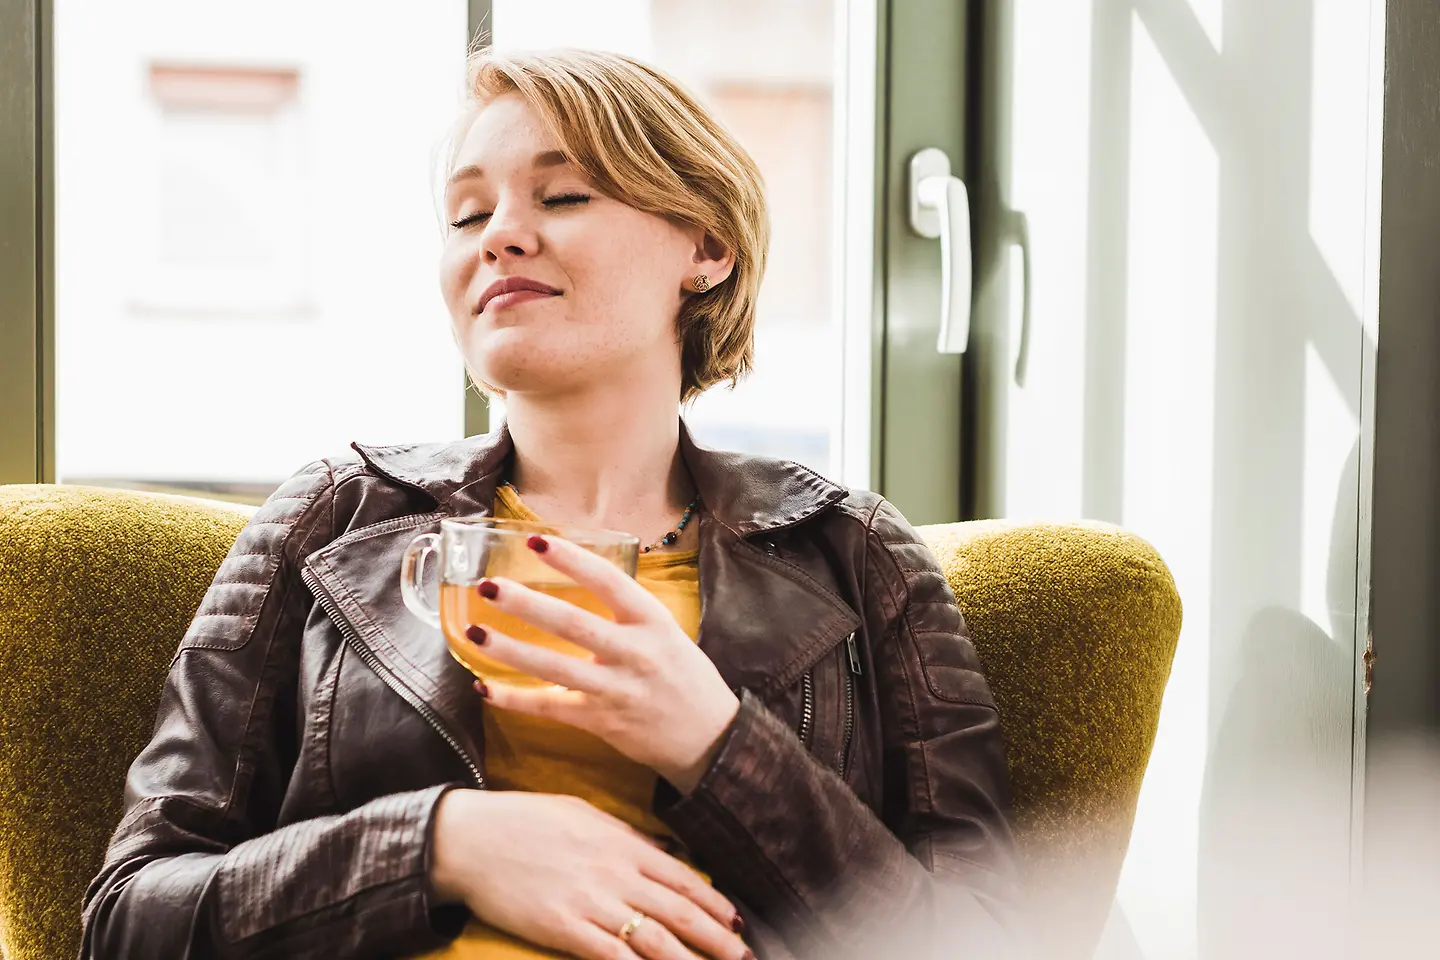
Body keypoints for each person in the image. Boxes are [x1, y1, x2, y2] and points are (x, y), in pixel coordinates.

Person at [80, 47, 1019, 960]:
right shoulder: (333, 514)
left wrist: (717, 745)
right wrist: (443, 846)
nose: (497, 235)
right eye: (465, 214)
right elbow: (128, 920)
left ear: (707, 246)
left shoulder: (854, 553)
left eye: (563, 195)